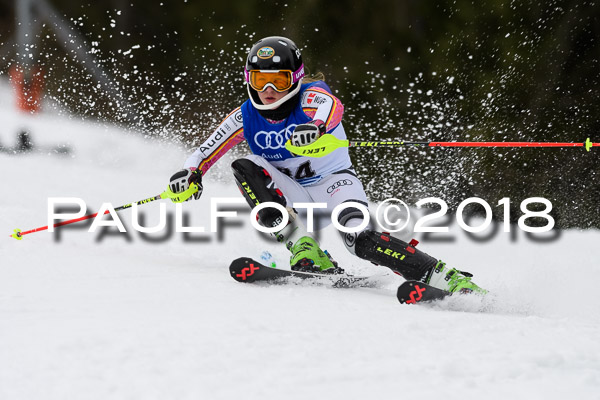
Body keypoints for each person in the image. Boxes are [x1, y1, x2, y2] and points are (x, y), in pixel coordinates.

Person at [168, 36, 485, 294]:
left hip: (334, 184)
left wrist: (316, 127)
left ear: (294, 79)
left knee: (361, 239)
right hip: (292, 197)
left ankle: (445, 277)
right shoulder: (245, 116)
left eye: (278, 81)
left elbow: (331, 107)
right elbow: (204, 151)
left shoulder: (311, 97)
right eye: (260, 80)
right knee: (245, 166)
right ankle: (305, 249)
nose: (267, 91)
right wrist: (190, 173)